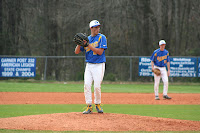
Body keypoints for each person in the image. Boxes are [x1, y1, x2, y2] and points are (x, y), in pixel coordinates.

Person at [74, 20, 107, 114]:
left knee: (96, 86)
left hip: (99, 65)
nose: (97, 29)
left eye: (98, 27)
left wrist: (88, 45)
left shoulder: (102, 37)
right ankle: (89, 106)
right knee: (87, 85)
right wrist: (79, 43)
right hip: (89, 65)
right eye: (95, 27)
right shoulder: (86, 39)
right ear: (91, 28)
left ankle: (97, 104)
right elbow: (76, 52)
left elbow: (100, 52)